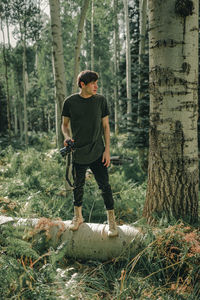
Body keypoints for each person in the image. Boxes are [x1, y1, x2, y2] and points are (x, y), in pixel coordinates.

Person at [61, 70, 118, 237]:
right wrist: (67, 136)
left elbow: (106, 127)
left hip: (98, 151)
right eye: (92, 83)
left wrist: (107, 150)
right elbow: (64, 125)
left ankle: (112, 221)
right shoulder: (70, 102)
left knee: (105, 187)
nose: (96, 86)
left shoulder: (100, 101)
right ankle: (78, 217)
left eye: (96, 83)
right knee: (78, 187)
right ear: (82, 84)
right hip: (78, 152)